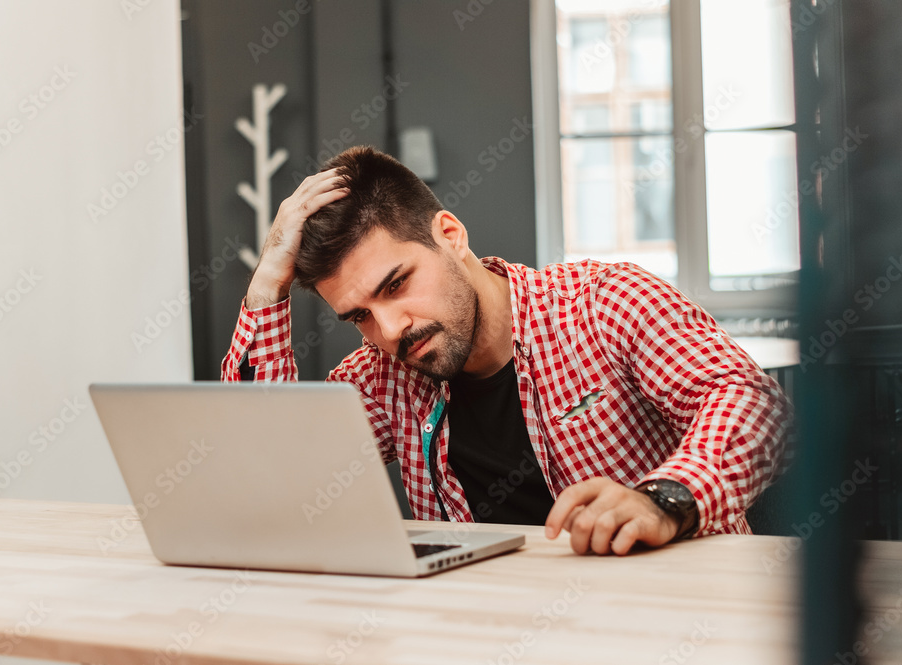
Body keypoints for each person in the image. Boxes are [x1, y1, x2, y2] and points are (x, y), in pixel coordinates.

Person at [221, 145, 793, 556]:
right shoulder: (380, 376)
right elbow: (270, 477)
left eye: (396, 284)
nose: (391, 329)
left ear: (450, 235)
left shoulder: (603, 303)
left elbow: (752, 402)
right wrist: (267, 281)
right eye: (359, 316)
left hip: (665, 623)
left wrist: (664, 499)